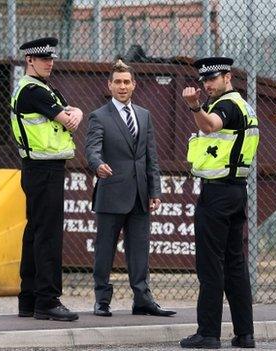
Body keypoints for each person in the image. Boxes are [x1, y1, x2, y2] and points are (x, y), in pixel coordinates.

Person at [179, 56, 260, 349]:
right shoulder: (245, 106)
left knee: (210, 264)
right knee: (235, 264)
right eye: (204, 80)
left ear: (228, 77)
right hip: (236, 190)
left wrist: (194, 107)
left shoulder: (226, 105)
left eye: (212, 79)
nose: (207, 85)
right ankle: (245, 333)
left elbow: (211, 125)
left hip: (218, 194)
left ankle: (208, 333)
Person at [85, 60, 176, 318]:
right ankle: (102, 300)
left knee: (139, 250)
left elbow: (151, 157)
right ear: (109, 85)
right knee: (105, 249)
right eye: (117, 82)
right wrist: (97, 165)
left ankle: (142, 299)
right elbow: (91, 148)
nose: (122, 86)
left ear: (134, 85)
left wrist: (155, 192)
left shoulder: (144, 115)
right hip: (111, 194)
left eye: (127, 82)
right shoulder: (99, 116)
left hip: (140, 195)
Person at [11, 37, 83, 322]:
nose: (49, 63)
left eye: (51, 59)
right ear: (30, 60)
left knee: (36, 232)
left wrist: (73, 112)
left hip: (40, 169)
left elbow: (73, 111)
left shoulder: (42, 88)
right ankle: (48, 300)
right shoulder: (33, 90)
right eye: (44, 59)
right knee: (48, 235)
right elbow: (69, 119)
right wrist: (71, 113)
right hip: (43, 170)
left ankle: (29, 299)